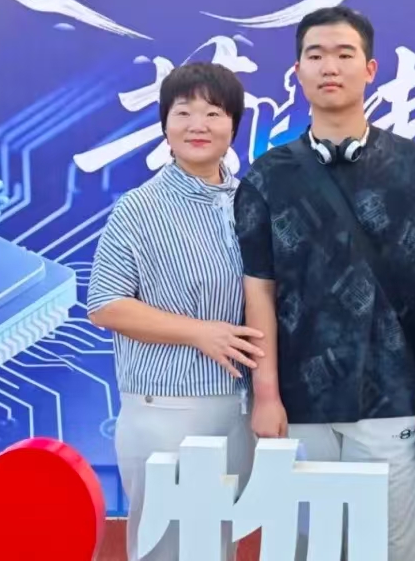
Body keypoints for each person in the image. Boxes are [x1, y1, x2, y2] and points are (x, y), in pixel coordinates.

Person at [234, 6, 415, 561]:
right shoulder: (267, 175)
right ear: (298, 72)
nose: (329, 67)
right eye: (315, 55)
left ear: (370, 69)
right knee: (304, 548)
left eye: (344, 54)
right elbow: (259, 288)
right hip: (298, 403)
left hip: (392, 395)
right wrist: (266, 393)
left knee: (390, 547)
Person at [87, 62, 264, 561]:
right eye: (183, 112)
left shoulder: (252, 202)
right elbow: (105, 304)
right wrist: (198, 333)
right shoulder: (139, 208)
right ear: (165, 125)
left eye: (213, 112)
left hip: (240, 407)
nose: (197, 125)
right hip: (166, 408)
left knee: (218, 544)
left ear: (234, 125)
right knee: (165, 548)